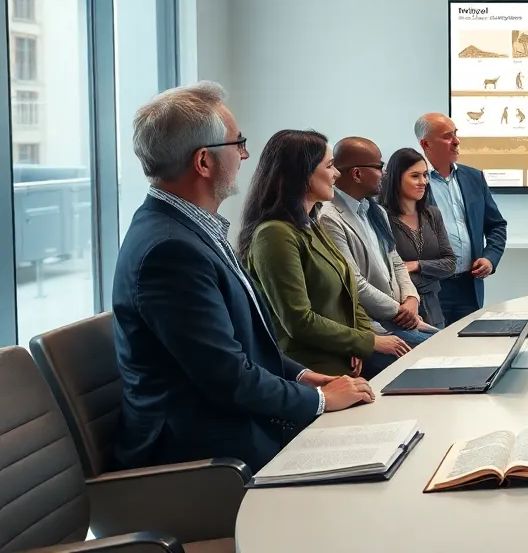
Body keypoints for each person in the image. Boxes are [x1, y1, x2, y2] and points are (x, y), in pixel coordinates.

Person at [111, 84, 372, 473]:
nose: (245, 155)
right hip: (205, 458)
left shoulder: (190, 229)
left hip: (233, 427)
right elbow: (228, 378)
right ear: (204, 161)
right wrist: (320, 400)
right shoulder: (170, 251)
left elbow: (242, 344)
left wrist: (301, 375)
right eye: (239, 144)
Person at [240, 130, 412, 380]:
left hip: (343, 359)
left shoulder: (312, 223)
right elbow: (299, 320)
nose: (337, 174)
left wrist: (359, 342)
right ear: (303, 172)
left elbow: (350, 293)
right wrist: (367, 341)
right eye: (330, 165)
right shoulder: (274, 234)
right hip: (313, 370)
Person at [316, 137, 437, 348]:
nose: (385, 174)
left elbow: (396, 261)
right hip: (373, 327)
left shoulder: (376, 210)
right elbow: (353, 282)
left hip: (400, 318)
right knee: (436, 355)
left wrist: (411, 299)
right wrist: (399, 311)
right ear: (357, 174)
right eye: (380, 167)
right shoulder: (329, 217)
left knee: (449, 344)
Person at [415, 112, 508, 326]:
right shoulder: (412, 181)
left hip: (470, 285)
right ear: (426, 144)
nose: (457, 141)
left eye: (455, 134)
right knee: (434, 351)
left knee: (469, 349)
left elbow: (496, 225)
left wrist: (490, 258)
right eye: (448, 137)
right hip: (431, 288)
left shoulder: (473, 177)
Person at [379, 147, 456, 329]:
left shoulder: (432, 214)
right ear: (396, 178)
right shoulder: (380, 216)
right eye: (415, 176)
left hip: (433, 307)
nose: (423, 182)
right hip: (400, 310)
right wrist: (430, 272)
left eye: (425, 175)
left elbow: (450, 264)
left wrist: (416, 265)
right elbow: (385, 270)